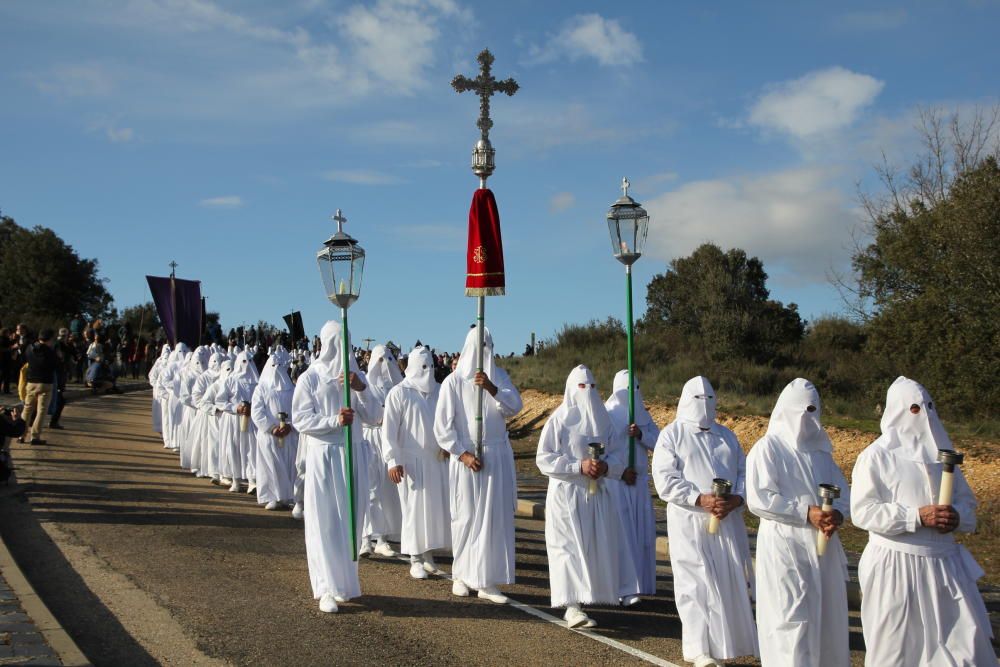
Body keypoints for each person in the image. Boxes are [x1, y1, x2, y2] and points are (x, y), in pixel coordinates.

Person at [851, 377, 995, 665]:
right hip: (895, 566)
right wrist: (915, 516)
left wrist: (957, 517)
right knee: (897, 651)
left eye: (929, 407)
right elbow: (863, 511)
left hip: (945, 564)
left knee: (965, 647)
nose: (924, 414)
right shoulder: (876, 457)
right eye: (915, 409)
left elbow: (966, 503)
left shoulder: (944, 457)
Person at [651, 376, 758, 667]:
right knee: (693, 582)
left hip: (726, 520)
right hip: (689, 520)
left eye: (710, 399)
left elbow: (743, 472)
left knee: (726, 579)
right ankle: (698, 648)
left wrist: (736, 498)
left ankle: (724, 646)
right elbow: (665, 479)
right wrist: (699, 498)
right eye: (699, 399)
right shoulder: (671, 435)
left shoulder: (727, 436)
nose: (705, 405)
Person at [746, 378, 851, 667]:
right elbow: (760, 498)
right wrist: (806, 512)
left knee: (826, 619)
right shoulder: (768, 448)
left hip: (823, 546)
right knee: (791, 620)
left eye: (813, 410)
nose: (807, 417)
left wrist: (837, 513)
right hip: (786, 545)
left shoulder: (821, 453)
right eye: (802, 410)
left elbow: (844, 492)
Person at [537, 365, 639, 628]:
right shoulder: (559, 419)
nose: (588, 392)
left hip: (596, 493)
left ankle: (593, 595)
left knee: (593, 545)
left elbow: (616, 452)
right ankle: (571, 606)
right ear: (572, 388)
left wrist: (607, 468)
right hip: (567, 495)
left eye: (592, 386)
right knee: (568, 548)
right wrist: (576, 467)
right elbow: (543, 458)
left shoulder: (603, 419)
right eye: (582, 386)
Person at [291, 320, 378, 613]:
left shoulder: (356, 377)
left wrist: (361, 388)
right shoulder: (310, 378)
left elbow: (376, 415)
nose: (340, 350)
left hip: (351, 455)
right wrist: (333, 421)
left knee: (350, 522)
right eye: (335, 343)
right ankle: (325, 587)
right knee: (325, 522)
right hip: (324, 458)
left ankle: (345, 583)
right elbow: (300, 419)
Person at [433, 326, 523, 604]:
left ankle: (488, 579)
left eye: (489, 346)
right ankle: (461, 574)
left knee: (494, 519)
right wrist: (463, 454)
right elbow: (442, 428)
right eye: (480, 346)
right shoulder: (453, 382)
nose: (485, 352)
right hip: (468, 460)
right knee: (467, 517)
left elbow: (514, 406)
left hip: (496, 456)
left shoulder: (499, 378)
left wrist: (492, 389)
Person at [383, 346, 451, 579]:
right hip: (410, 462)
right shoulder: (399, 393)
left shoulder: (440, 391)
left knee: (432, 509)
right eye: (423, 366)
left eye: (431, 366)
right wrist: (393, 460)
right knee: (412, 510)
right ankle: (414, 558)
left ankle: (428, 554)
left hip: (436, 459)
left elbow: (447, 422)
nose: (428, 371)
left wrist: (448, 446)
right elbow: (389, 430)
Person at [604, 369, 659, 604]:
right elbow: (603, 447)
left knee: (641, 535)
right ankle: (621, 587)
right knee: (622, 536)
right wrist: (619, 471)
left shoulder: (643, 415)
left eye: (635, 390)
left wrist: (640, 434)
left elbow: (659, 442)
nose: (631, 395)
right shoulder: (607, 414)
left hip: (639, 484)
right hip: (617, 483)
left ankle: (640, 584)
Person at [359, 344, 404, 557]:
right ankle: (365, 538)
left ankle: (383, 538)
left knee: (387, 490)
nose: (383, 364)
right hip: (369, 438)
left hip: (389, 440)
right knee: (369, 488)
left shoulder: (397, 388)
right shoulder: (364, 385)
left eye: (387, 359)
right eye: (379, 360)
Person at [251, 347, 298, 510]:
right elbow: (256, 411)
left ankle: (289, 496)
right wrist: (271, 428)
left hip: (289, 434)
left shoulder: (291, 389)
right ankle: (273, 496)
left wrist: (290, 426)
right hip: (269, 435)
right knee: (271, 465)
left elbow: (298, 410)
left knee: (289, 464)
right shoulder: (261, 388)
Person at [215, 350, 259, 493]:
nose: (247, 365)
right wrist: (236, 408)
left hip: (251, 420)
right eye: (244, 362)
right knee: (234, 449)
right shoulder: (230, 380)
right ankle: (236, 480)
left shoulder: (257, 382)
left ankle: (252, 480)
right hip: (233, 421)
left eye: (250, 361)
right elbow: (220, 401)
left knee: (251, 450)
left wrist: (253, 408)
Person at [21, 329, 58, 446]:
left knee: (27, 409)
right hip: (45, 383)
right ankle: (35, 436)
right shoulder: (50, 352)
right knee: (41, 411)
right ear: (50, 339)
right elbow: (54, 366)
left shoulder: (29, 348)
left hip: (31, 382)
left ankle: (21, 434)